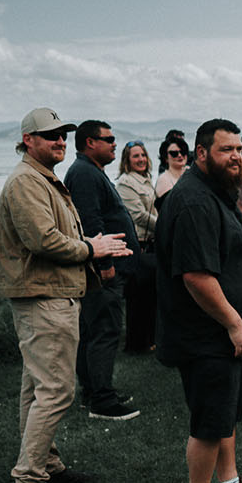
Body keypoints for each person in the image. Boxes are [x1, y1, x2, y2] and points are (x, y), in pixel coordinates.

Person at [0, 108, 131, 483]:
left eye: (62, 135)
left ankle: (45, 465)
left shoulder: (43, 178)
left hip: (52, 292)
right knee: (55, 389)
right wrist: (95, 248)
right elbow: (44, 241)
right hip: (44, 297)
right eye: (50, 135)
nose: (59, 141)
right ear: (27, 141)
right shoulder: (26, 182)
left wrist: (93, 247)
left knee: (37, 388)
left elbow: (57, 236)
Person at [156, 119, 242, 483]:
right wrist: (236, 323)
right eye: (226, 150)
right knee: (210, 419)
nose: (237, 158)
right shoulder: (193, 201)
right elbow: (196, 276)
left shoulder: (218, 193)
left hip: (222, 334)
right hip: (206, 333)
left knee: (226, 412)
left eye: (240, 151)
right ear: (201, 154)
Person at [65, 120, 143, 421]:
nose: (114, 144)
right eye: (108, 139)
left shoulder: (90, 171)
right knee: (105, 330)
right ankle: (102, 399)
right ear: (89, 143)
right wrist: (106, 264)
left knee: (94, 328)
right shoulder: (85, 174)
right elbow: (91, 223)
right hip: (104, 269)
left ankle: (92, 390)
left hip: (107, 266)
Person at [117, 139, 158, 354]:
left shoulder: (146, 179)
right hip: (138, 244)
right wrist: (164, 226)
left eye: (143, 155)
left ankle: (149, 339)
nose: (141, 159)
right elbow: (138, 215)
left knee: (149, 296)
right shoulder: (126, 182)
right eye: (136, 156)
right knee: (138, 297)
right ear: (127, 160)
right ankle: (135, 344)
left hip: (151, 243)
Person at [154, 133, 190, 205]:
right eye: (174, 153)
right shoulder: (163, 179)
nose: (180, 155)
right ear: (165, 158)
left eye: (183, 152)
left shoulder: (191, 172)